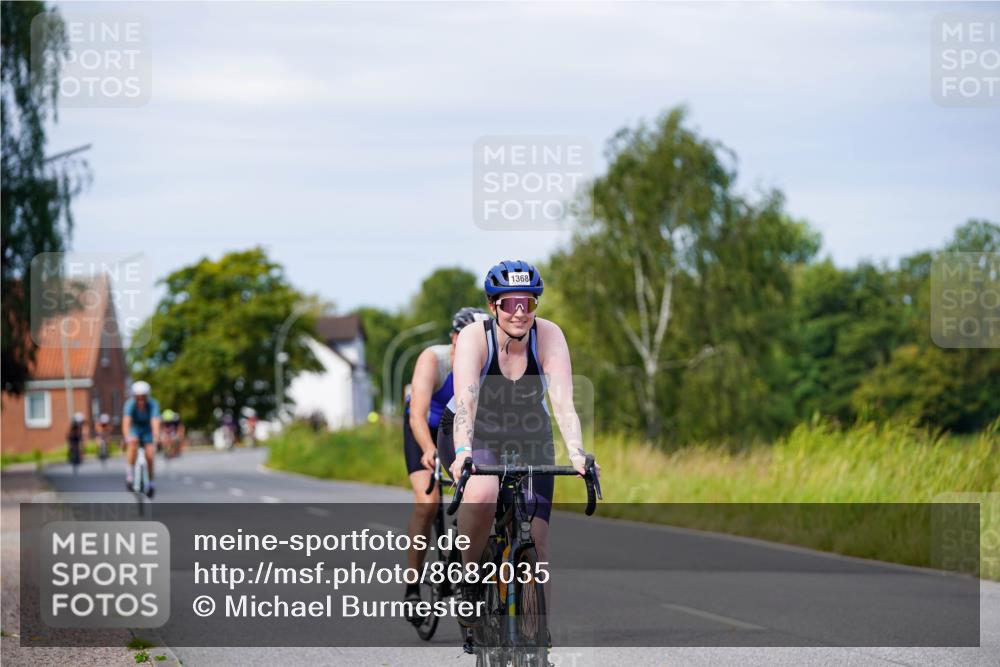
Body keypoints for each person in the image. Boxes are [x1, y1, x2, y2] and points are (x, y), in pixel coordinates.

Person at [445, 260, 598, 631]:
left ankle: (537, 636)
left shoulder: (548, 336)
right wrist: (463, 453)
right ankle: (470, 581)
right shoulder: (474, 338)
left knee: (538, 542)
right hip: (478, 432)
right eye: (510, 302)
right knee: (481, 494)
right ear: (492, 304)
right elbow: (465, 403)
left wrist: (577, 451)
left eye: (527, 303)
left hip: (530, 435)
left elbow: (563, 402)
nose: (519, 312)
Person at [402, 306, 489, 613]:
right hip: (425, 428)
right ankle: (413, 586)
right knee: (427, 504)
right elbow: (417, 415)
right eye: (465, 337)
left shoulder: (487, 360)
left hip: (459, 429)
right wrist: (428, 448)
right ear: (454, 337)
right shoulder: (433, 359)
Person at [122, 380, 161, 497]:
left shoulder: (153, 404)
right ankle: (130, 475)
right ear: (134, 397)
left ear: (147, 397)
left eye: (143, 397)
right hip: (135, 429)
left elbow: (155, 422)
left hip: (147, 430)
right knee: (132, 445)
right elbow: (126, 422)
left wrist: (156, 436)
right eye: (138, 398)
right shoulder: (130, 404)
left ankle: (151, 483)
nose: (140, 401)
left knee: (150, 455)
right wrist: (127, 437)